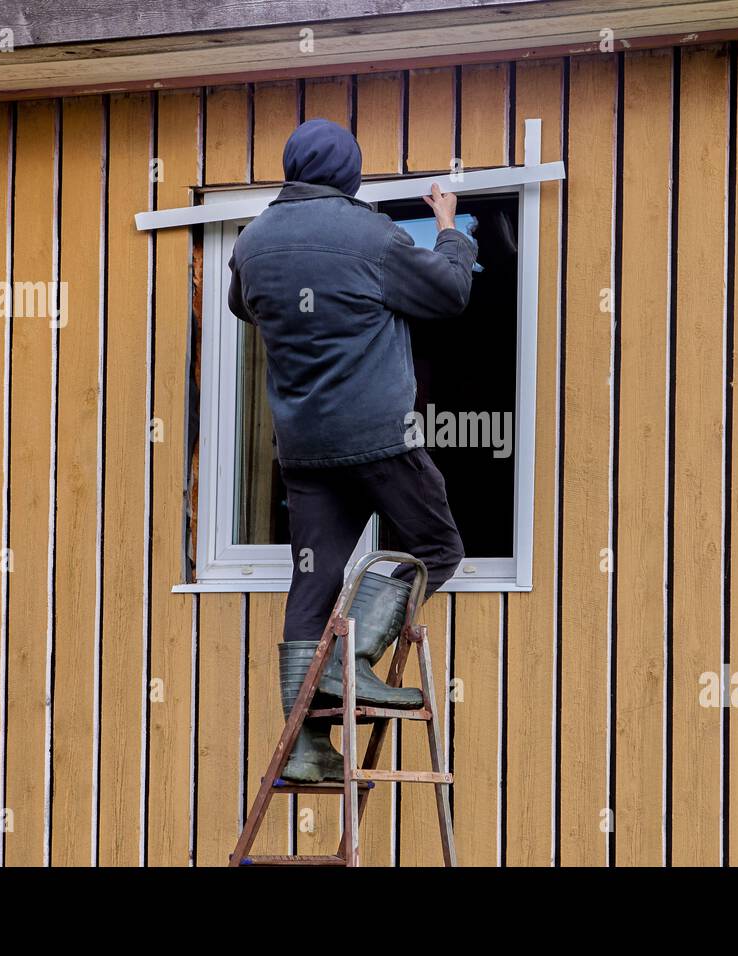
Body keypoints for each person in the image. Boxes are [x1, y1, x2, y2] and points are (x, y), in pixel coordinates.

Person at [227, 118, 475, 782]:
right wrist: (450, 230)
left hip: (303, 448)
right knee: (436, 548)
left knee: (314, 580)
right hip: (375, 436)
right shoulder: (371, 234)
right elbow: (450, 294)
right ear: (349, 173)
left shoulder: (251, 242)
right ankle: (351, 664)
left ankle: (305, 750)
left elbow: (244, 307)